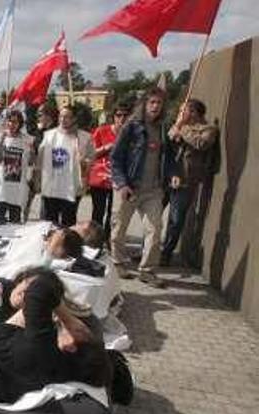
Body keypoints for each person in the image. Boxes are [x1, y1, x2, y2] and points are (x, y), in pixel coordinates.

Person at [0, 268, 111, 414]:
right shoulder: (49, 367)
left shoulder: (40, 348)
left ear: (71, 346)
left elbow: (40, 287)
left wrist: (69, 321)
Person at [110, 88, 180, 287]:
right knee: (119, 228)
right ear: (144, 104)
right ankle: (118, 262)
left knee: (154, 229)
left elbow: (170, 159)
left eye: (159, 103)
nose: (155, 106)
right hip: (130, 187)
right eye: (152, 102)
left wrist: (174, 174)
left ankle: (147, 270)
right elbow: (115, 159)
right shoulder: (131, 127)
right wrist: (122, 184)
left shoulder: (163, 129)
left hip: (154, 190)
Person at [162, 98, 219, 268]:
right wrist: (179, 127)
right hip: (169, 175)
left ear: (193, 112)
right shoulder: (180, 125)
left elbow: (200, 143)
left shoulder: (208, 129)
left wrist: (183, 129)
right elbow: (170, 137)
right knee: (154, 214)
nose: (180, 114)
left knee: (176, 219)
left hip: (186, 180)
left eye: (183, 111)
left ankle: (166, 252)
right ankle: (147, 251)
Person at [37, 105, 96, 227]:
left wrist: (84, 162)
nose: (63, 119)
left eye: (67, 117)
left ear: (74, 118)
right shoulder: (49, 135)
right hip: (51, 188)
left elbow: (91, 159)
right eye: (61, 116)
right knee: (48, 224)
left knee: (68, 224)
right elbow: (39, 159)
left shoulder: (84, 137)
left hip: (71, 189)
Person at [89, 103, 130, 244]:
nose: (122, 118)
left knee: (114, 213)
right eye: (119, 115)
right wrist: (106, 147)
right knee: (98, 212)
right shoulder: (102, 131)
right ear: (114, 117)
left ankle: (108, 240)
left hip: (119, 180)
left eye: (125, 115)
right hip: (100, 178)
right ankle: (94, 241)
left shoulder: (131, 134)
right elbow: (91, 153)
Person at [0, 110, 35, 223]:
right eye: (9, 121)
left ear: (20, 124)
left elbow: (31, 162)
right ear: (6, 122)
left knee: (15, 220)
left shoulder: (27, 139)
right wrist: (1, 142)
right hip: (2, 186)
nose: (11, 124)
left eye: (15, 122)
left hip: (17, 187)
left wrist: (32, 151)